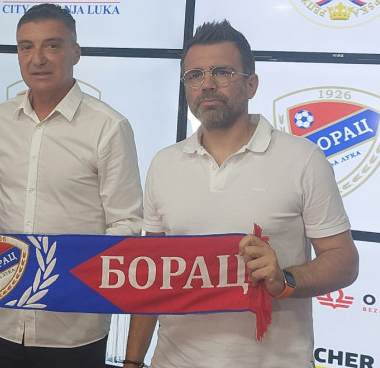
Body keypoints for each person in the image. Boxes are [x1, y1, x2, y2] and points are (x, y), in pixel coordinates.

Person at [123, 20, 359, 368]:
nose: (207, 84)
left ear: (251, 84)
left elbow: (344, 260)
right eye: (194, 75)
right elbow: (152, 277)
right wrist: (132, 362)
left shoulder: (303, 159)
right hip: (172, 360)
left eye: (222, 72)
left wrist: (285, 279)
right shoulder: (164, 163)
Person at [0, 3, 143, 368]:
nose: (37, 58)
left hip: (73, 324)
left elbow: (126, 224)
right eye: (26, 47)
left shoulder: (108, 127)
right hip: (4, 314)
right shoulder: (1, 118)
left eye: (52, 46)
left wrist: (74, 276)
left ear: (76, 52)